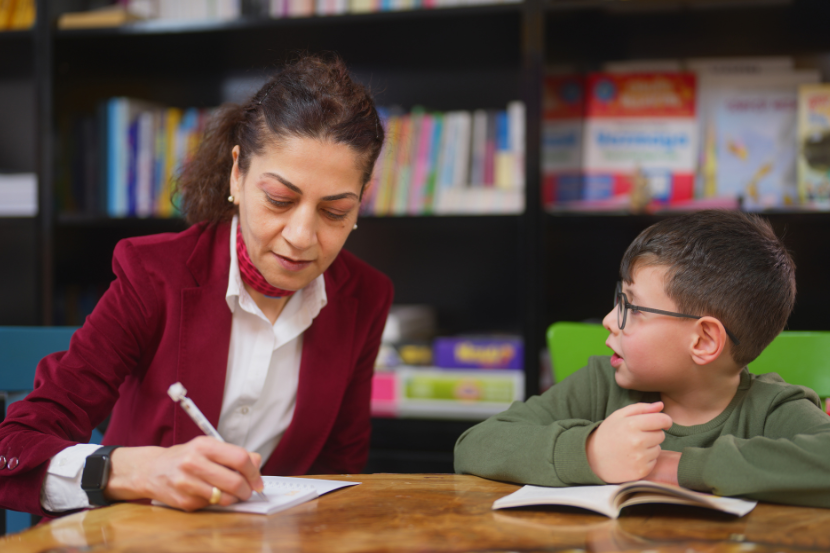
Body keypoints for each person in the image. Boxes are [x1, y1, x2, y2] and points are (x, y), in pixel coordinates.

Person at [0, 54, 393, 516]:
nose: (302, 237)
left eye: (335, 211)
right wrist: (138, 473)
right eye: (279, 200)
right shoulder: (153, 274)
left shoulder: (364, 297)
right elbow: (14, 445)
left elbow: (342, 474)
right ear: (237, 174)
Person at [455, 210, 830, 508]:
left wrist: (676, 467)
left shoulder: (772, 408)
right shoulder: (599, 385)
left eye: (631, 307)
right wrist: (590, 452)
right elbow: (475, 445)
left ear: (702, 340)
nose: (607, 320)